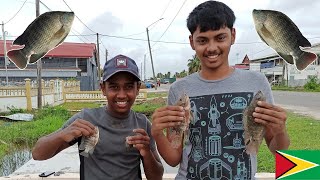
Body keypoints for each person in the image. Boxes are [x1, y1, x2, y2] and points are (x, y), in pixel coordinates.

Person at [151, 1, 290, 179]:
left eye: (220, 37)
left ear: (233, 35)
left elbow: (277, 149)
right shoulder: (179, 89)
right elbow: (173, 158)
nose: (211, 48)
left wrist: (280, 131)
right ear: (192, 42)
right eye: (202, 40)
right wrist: (156, 132)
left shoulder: (257, 82)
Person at [32, 54, 164, 180]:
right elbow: (37, 154)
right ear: (103, 88)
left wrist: (146, 153)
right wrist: (62, 135)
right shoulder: (86, 119)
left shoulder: (142, 123)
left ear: (138, 89)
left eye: (129, 87)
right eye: (114, 87)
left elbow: (157, 177)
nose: (122, 95)